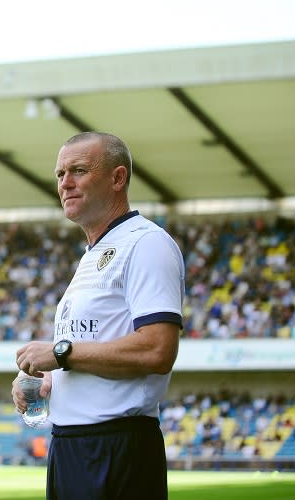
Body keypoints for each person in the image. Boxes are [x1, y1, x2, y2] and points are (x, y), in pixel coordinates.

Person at [12, 132, 184, 499]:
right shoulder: (93, 255)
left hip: (117, 448)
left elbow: (157, 350)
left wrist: (61, 353)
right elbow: (92, 350)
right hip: (70, 446)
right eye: (60, 174)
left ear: (118, 178)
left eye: (78, 171)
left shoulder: (145, 243)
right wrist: (50, 383)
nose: (65, 183)